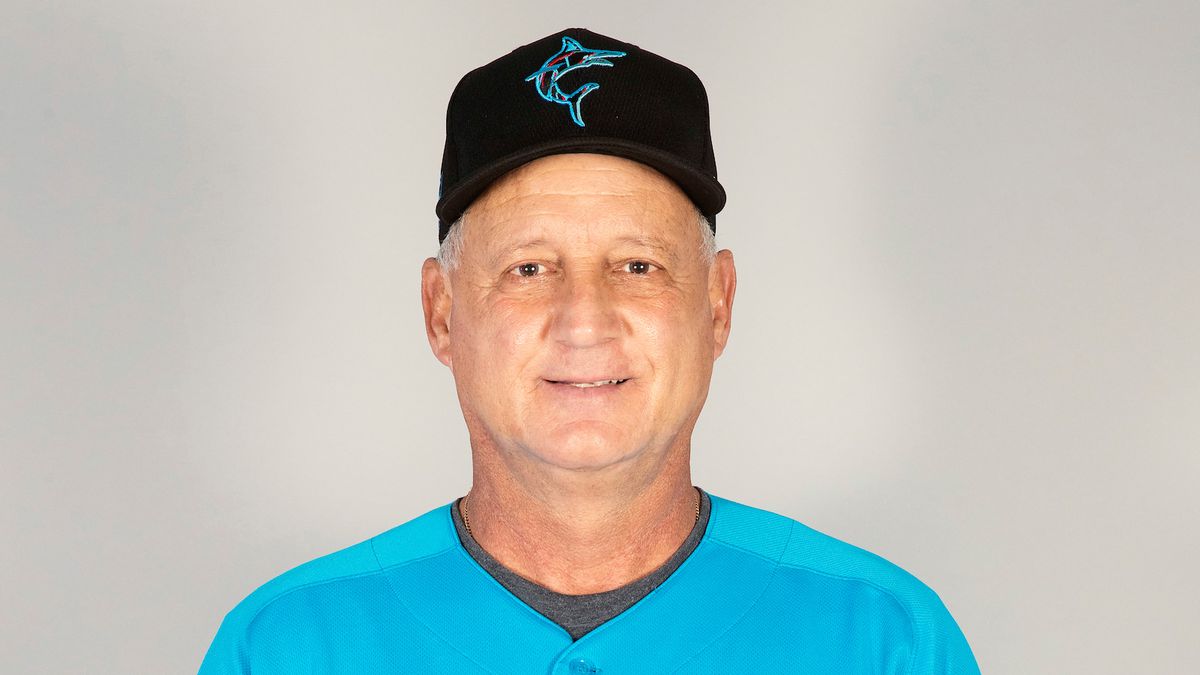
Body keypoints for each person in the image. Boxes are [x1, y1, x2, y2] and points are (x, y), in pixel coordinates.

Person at [199, 28, 979, 674]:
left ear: (717, 305)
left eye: (637, 266)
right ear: (442, 313)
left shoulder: (885, 642)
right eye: (529, 268)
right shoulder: (285, 649)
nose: (584, 322)